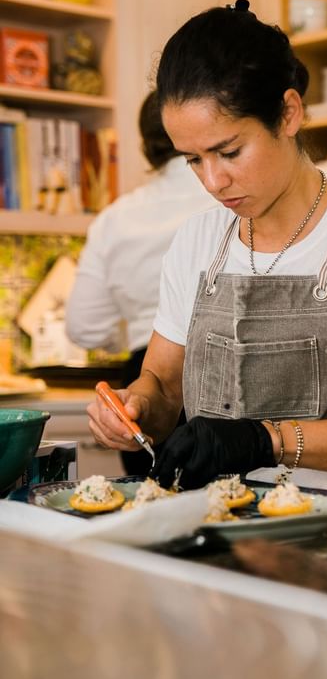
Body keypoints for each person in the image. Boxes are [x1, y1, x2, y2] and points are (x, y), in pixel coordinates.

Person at [86, 0, 327, 517]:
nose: (213, 181)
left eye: (229, 152)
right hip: (200, 536)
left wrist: (265, 441)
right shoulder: (196, 243)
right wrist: (134, 408)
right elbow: (164, 387)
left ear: (288, 113)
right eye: (193, 160)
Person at [66, 91, 215, 472]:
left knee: (153, 512)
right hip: (211, 373)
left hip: (140, 376)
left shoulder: (114, 220)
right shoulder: (234, 193)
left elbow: (83, 327)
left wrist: (135, 333)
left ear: (146, 146)